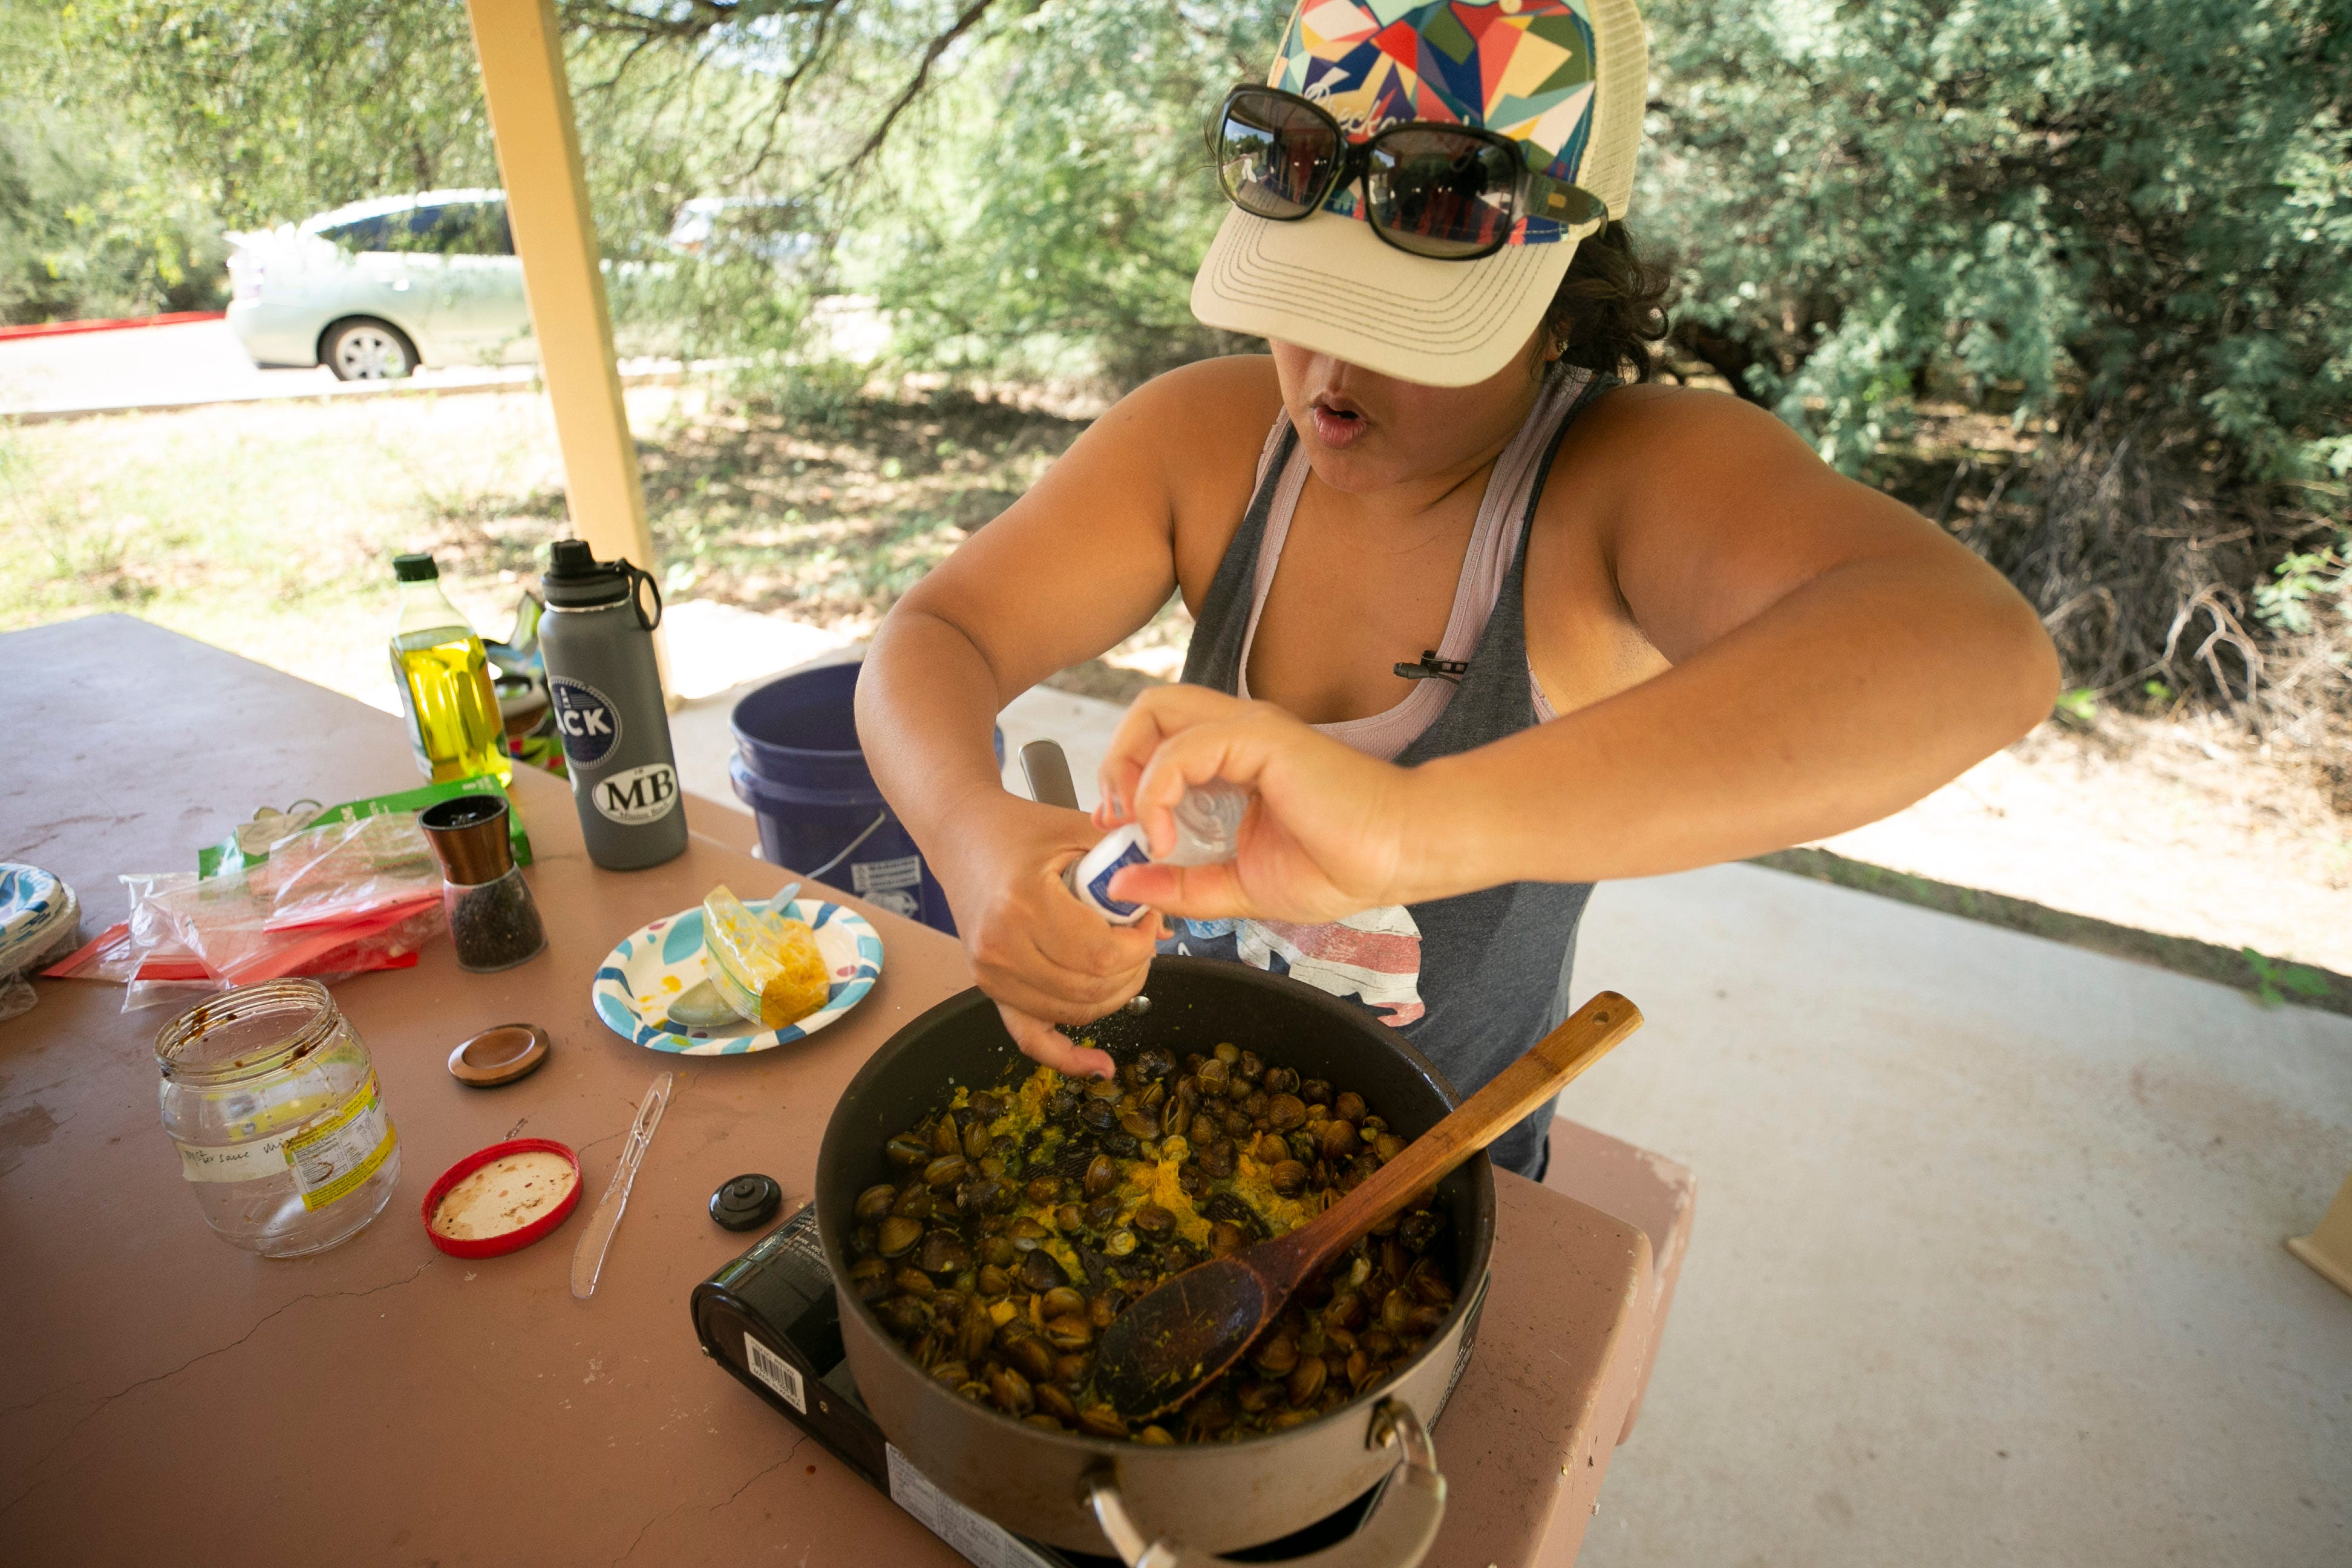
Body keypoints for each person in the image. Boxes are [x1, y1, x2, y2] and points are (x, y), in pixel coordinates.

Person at [856, 0, 2058, 1178]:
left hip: (1445, 1170)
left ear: (1559, 303)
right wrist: (974, 838)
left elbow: (1975, 652)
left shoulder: (1621, 484)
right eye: (1304, 300)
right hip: (1180, 1112)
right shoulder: (1202, 442)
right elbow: (939, 631)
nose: (1329, 369)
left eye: (1404, 322)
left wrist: (1401, 832)